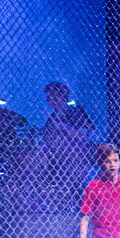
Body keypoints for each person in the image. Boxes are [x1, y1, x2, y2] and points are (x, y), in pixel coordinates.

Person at [44, 82, 94, 212]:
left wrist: (64, 128)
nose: (51, 101)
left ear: (63, 97)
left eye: (54, 97)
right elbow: (47, 140)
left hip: (74, 158)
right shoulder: (52, 118)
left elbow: (83, 135)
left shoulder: (76, 112)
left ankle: (76, 210)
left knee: (74, 188)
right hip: (56, 159)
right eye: (49, 98)